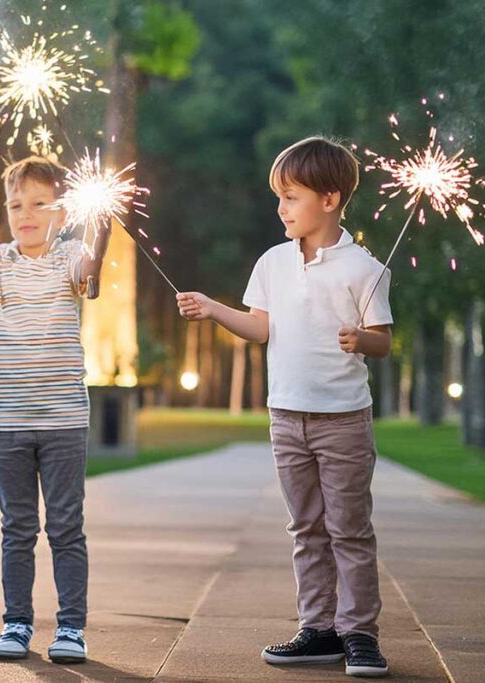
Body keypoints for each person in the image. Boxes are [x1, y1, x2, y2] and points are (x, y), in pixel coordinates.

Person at [177, 137, 393, 678]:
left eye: (291, 197)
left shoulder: (364, 269)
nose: (281, 208)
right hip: (285, 415)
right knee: (306, 529)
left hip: (342, 418)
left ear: (329, 198)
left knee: (349, 530)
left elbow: (383, 341)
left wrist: (359, 340)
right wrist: (212, 308)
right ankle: (318, 628)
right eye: (279, 196)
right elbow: (260, 326)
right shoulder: (272, 261)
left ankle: (359, 633)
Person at [0, 155, 109, 664]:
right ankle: (16, 622)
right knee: (17, 527)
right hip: (5, 419)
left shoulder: (71, 257)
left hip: (63, 419)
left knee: (65, 526)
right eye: (17, 205)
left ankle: (71, 628)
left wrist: (101, 223)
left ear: (62, 212)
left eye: (40, 204)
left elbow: (92, 275)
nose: (27, 213)